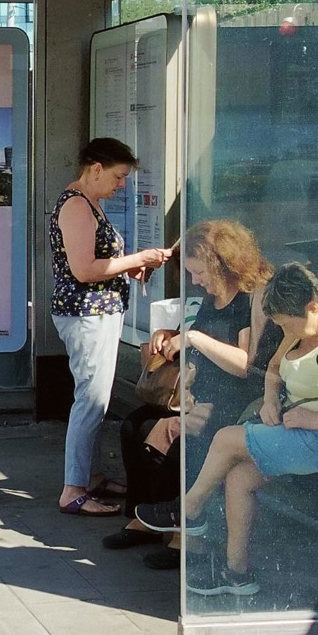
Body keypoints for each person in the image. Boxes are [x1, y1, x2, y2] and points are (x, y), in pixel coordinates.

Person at [136, 262, 318, 598]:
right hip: (304, 426)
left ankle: (188, 509)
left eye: (289, 325)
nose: (288, 332)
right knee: (239, 477)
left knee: (226, 439)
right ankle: (237, 573)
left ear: (313, 306)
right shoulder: (303, 325)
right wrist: (269, 400)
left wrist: (314, 420)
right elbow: (274, 367)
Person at [108, 218, 275, 556]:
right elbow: (195, 341)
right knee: (133, 425)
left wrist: (193, 338)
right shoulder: (213, 296)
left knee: (182, 438)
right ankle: (146, 518)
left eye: (199, 272)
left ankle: (185, 534)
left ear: (223, 264)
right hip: (200, 392)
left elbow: (245, 364)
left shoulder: (250, 299)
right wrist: (171, 337)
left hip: (234, 398)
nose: (196, 281)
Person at [51, 138, 173, 517]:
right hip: (87, 315)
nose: (121, 185)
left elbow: (97, 263)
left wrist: (130, 267)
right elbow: (84, 269)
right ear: (96, 169)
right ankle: (73, 489)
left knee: (92, 397)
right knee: (93, 399)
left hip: (95, 312)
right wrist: (137, 259)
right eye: (118, 177)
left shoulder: (89, 203)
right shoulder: (77, 206)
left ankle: (90, 477)